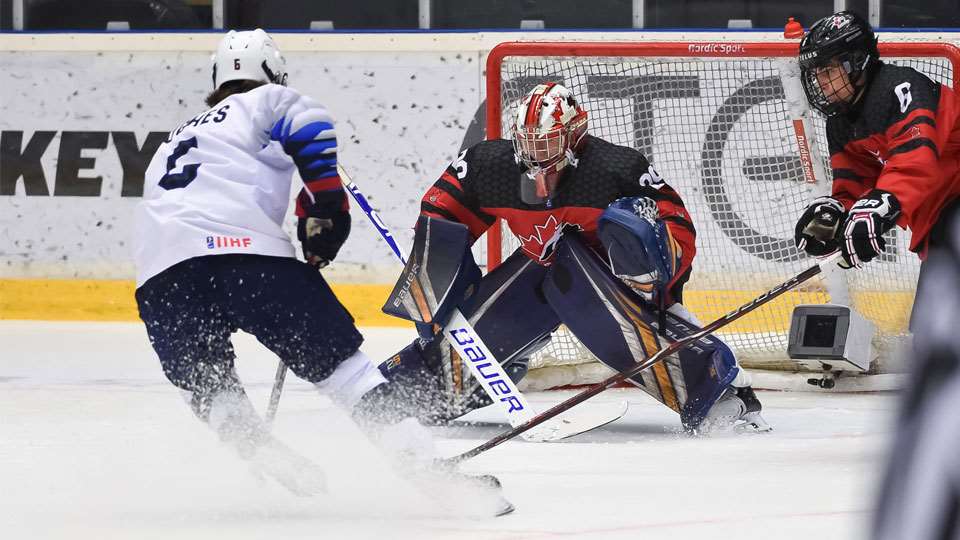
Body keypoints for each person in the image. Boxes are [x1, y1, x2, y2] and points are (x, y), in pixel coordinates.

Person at [133, 29, 510, 514]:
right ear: (271, 73)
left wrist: (310, 214)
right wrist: (325, 207)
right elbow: (310, 125)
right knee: (348, 375)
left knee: (206, 383)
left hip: (161, 279)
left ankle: (256, 445)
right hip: (247, 260)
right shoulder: (266, 100)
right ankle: (432, 476)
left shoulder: (171, 141)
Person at [377, 82, 770, 434]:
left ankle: (719, 391)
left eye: (546, 142)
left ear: (575, 135)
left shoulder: (615, 170)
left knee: (588, 278)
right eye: (528, 141)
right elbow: (441, 214)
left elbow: (677, 227)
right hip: (539, 268)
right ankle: (415, 391)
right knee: (471, 329)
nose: (535, 153)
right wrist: (434, 288)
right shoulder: (489, 166)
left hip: (610, 283)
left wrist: (653, 276)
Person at [794, 10, 960, 273]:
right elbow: (857, 181)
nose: (820, 82)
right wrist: (837, 214)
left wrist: (879, 205)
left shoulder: (901, 89)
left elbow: (916, 161)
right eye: (816, 73)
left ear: (856, 62)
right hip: (938, 224)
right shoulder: (841, 120)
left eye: (827, 70)